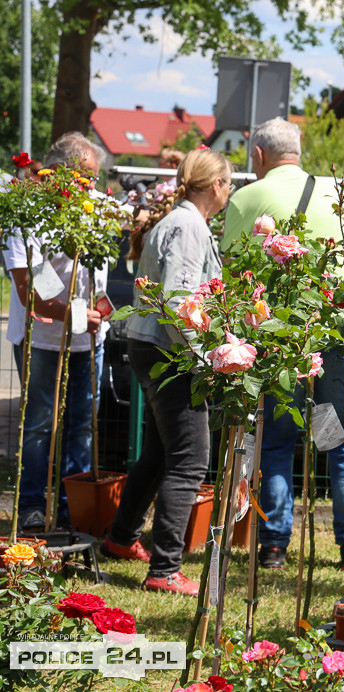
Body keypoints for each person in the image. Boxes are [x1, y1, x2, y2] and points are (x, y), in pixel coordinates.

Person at [222, 117, 344, 571]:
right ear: (299, 152)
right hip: (338, 335)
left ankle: (274, 546)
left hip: (281, 340)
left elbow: (231, 274)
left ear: (259, 156)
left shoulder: (246, 198)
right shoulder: (338, 193)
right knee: (338, 437)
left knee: (278, 439)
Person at [102, 148, 231, 596]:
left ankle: (121, 538)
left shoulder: (179, 221)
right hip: (170, 351)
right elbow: (178, 302)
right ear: (216, 186)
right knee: (190, 459)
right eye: (228, 183)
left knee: (159, 452)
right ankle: (165, 568)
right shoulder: (189, 227)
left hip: (151, 344)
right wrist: (205, 358)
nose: (229, 191)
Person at [2, 132, 110, 533]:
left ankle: (73, 506)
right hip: (43, 341)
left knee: (82, 425)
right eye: (86, 178)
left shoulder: (97, 207)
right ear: (59, 175)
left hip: (90, 340)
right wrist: (76, 316)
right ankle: (32, 506)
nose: (92, 188)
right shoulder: (27, 213)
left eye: (95, 179)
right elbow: (31, 289)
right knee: (38, 425)